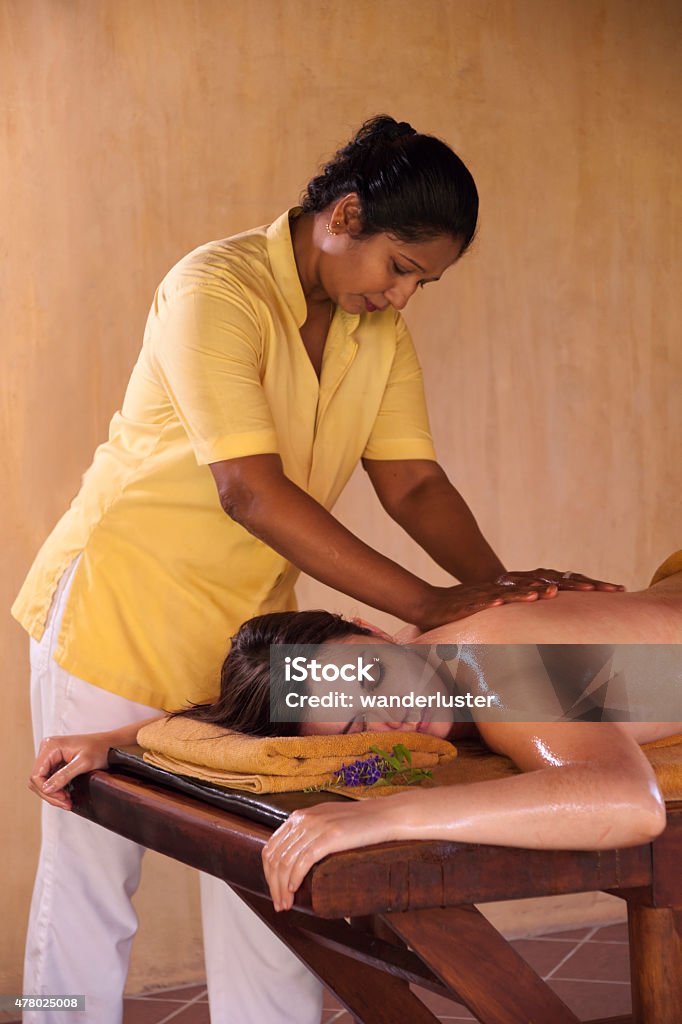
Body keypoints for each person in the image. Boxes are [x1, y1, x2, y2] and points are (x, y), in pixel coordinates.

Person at [15, 114, 619, 1024]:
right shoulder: (213, 288)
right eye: (401, 267)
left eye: (425, 281)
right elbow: (250, 493)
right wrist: (440, 604)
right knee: (90, 885)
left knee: (273, 874)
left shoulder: (375, 337)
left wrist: (499, 597)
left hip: (253, 638)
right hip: (119, 607)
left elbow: (413, 484)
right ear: (343, 217)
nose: (404, 297)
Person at [31, 552, 682, 916]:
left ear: (367, 628)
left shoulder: (498, 662)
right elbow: (228, 716)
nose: (392, 714)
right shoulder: (419, 656)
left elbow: (626, 800)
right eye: (356, 723)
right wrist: (118, 739)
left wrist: (384, 817)